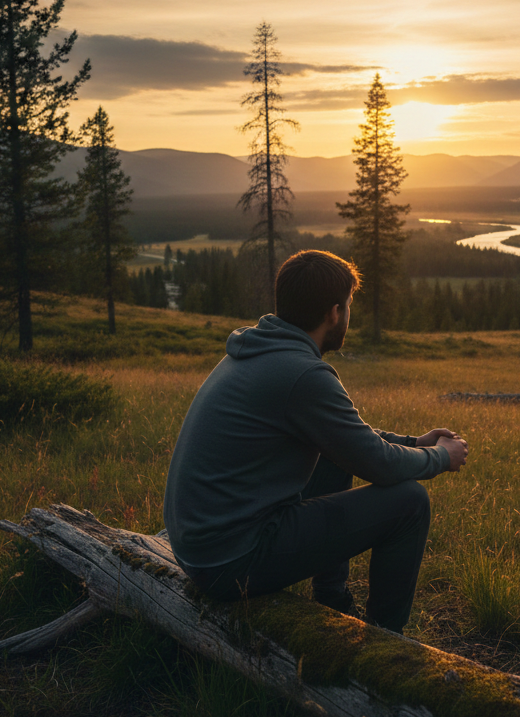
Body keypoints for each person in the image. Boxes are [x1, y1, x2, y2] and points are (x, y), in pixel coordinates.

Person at [163, 249, 468, 633]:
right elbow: (378, 463)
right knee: (410, 502)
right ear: (334, 313)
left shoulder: (263, 348)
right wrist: (439, 457)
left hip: (204, 547)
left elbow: (347, 439)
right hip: (229, 563)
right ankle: (385, 643)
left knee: (332, 455)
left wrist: (414, 443)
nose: (349, 315)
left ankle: (332, 599)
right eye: (349, 306)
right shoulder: (302, 374)